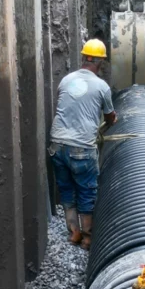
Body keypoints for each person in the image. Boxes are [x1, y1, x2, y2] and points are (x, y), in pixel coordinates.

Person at [49, 38, 117, 250]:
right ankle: (88, 239)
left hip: (57, 144)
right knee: (87, 192)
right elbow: (109, 117)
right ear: (100, 62)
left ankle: (74, 233)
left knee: (67, 190)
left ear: (84, 58)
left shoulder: (66, 80)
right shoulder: (102, 86)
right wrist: (112, 120)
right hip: (81, 148)